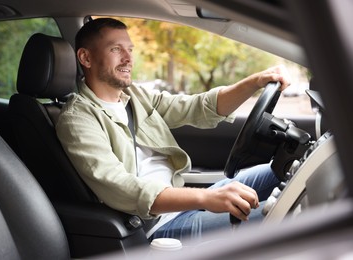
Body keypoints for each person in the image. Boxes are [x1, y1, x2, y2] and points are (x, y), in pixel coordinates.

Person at [56, 18, 291, 242]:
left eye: (130, 49)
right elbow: (122, 187)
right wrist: (206, 198)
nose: (128, 58)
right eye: (116, 49)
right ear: (85, 58)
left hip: (181, 203)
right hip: (155, 227)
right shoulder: (77, 120)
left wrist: (255, 82)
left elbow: (197, 107)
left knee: (282, 171)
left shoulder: (135, 96)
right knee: (288, 216)